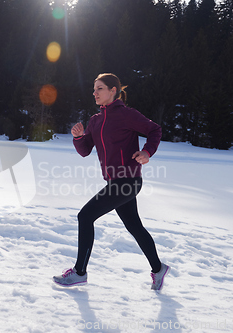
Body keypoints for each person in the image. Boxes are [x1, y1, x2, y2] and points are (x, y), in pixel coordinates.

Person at [53, 73, 170, 290]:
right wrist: (78, 138)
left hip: (128, 181)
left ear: (113, 90)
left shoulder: (126, 115)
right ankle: (158, 268)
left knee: (85, 216)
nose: (94, 93)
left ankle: (79, 272)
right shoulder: (95, 120)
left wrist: (147, 152)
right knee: (134, 226)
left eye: (99, 88)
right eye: (94, 89)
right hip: (115, 182)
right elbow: (85, 150)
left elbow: (155, 130)